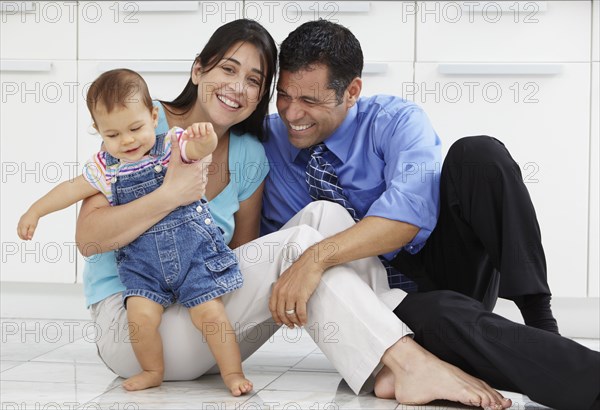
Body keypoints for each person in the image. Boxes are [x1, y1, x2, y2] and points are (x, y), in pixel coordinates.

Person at [75, 19, 512, 409]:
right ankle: (409, 361)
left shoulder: (248, 154)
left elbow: (240, 261)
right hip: (135, 329)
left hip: (207, 329)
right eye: (227, 69)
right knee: (304, 247)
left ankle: (387, 366)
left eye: (255, 80)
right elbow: (88, 238)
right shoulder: (142, 130)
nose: (238, 88)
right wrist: (170, 194)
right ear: (198, 70)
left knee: (325, 216)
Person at [261, 19, 600, 410]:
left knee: (479, 156)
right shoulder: (268, 145)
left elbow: (405, 220)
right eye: (283, 95)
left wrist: (314, 258)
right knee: (441, 316)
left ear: (352, 91)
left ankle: (541, 322)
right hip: (377, 299)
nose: (291, 112)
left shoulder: (394, 120)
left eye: (311, 101)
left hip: (445, 264)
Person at [17, 68, 254, 395]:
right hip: (143, 267)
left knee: (211, 314)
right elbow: (71, 188)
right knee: (139, 318)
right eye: (112, 134)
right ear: (98, 131)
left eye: (135, 128)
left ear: (153, 116)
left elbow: (198, 152)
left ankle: (232, 373)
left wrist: (205, 138)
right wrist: (36, 211)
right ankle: (152, 370)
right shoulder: (105, 168)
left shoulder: (171, 145)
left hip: (192, 258)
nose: (126, 141)